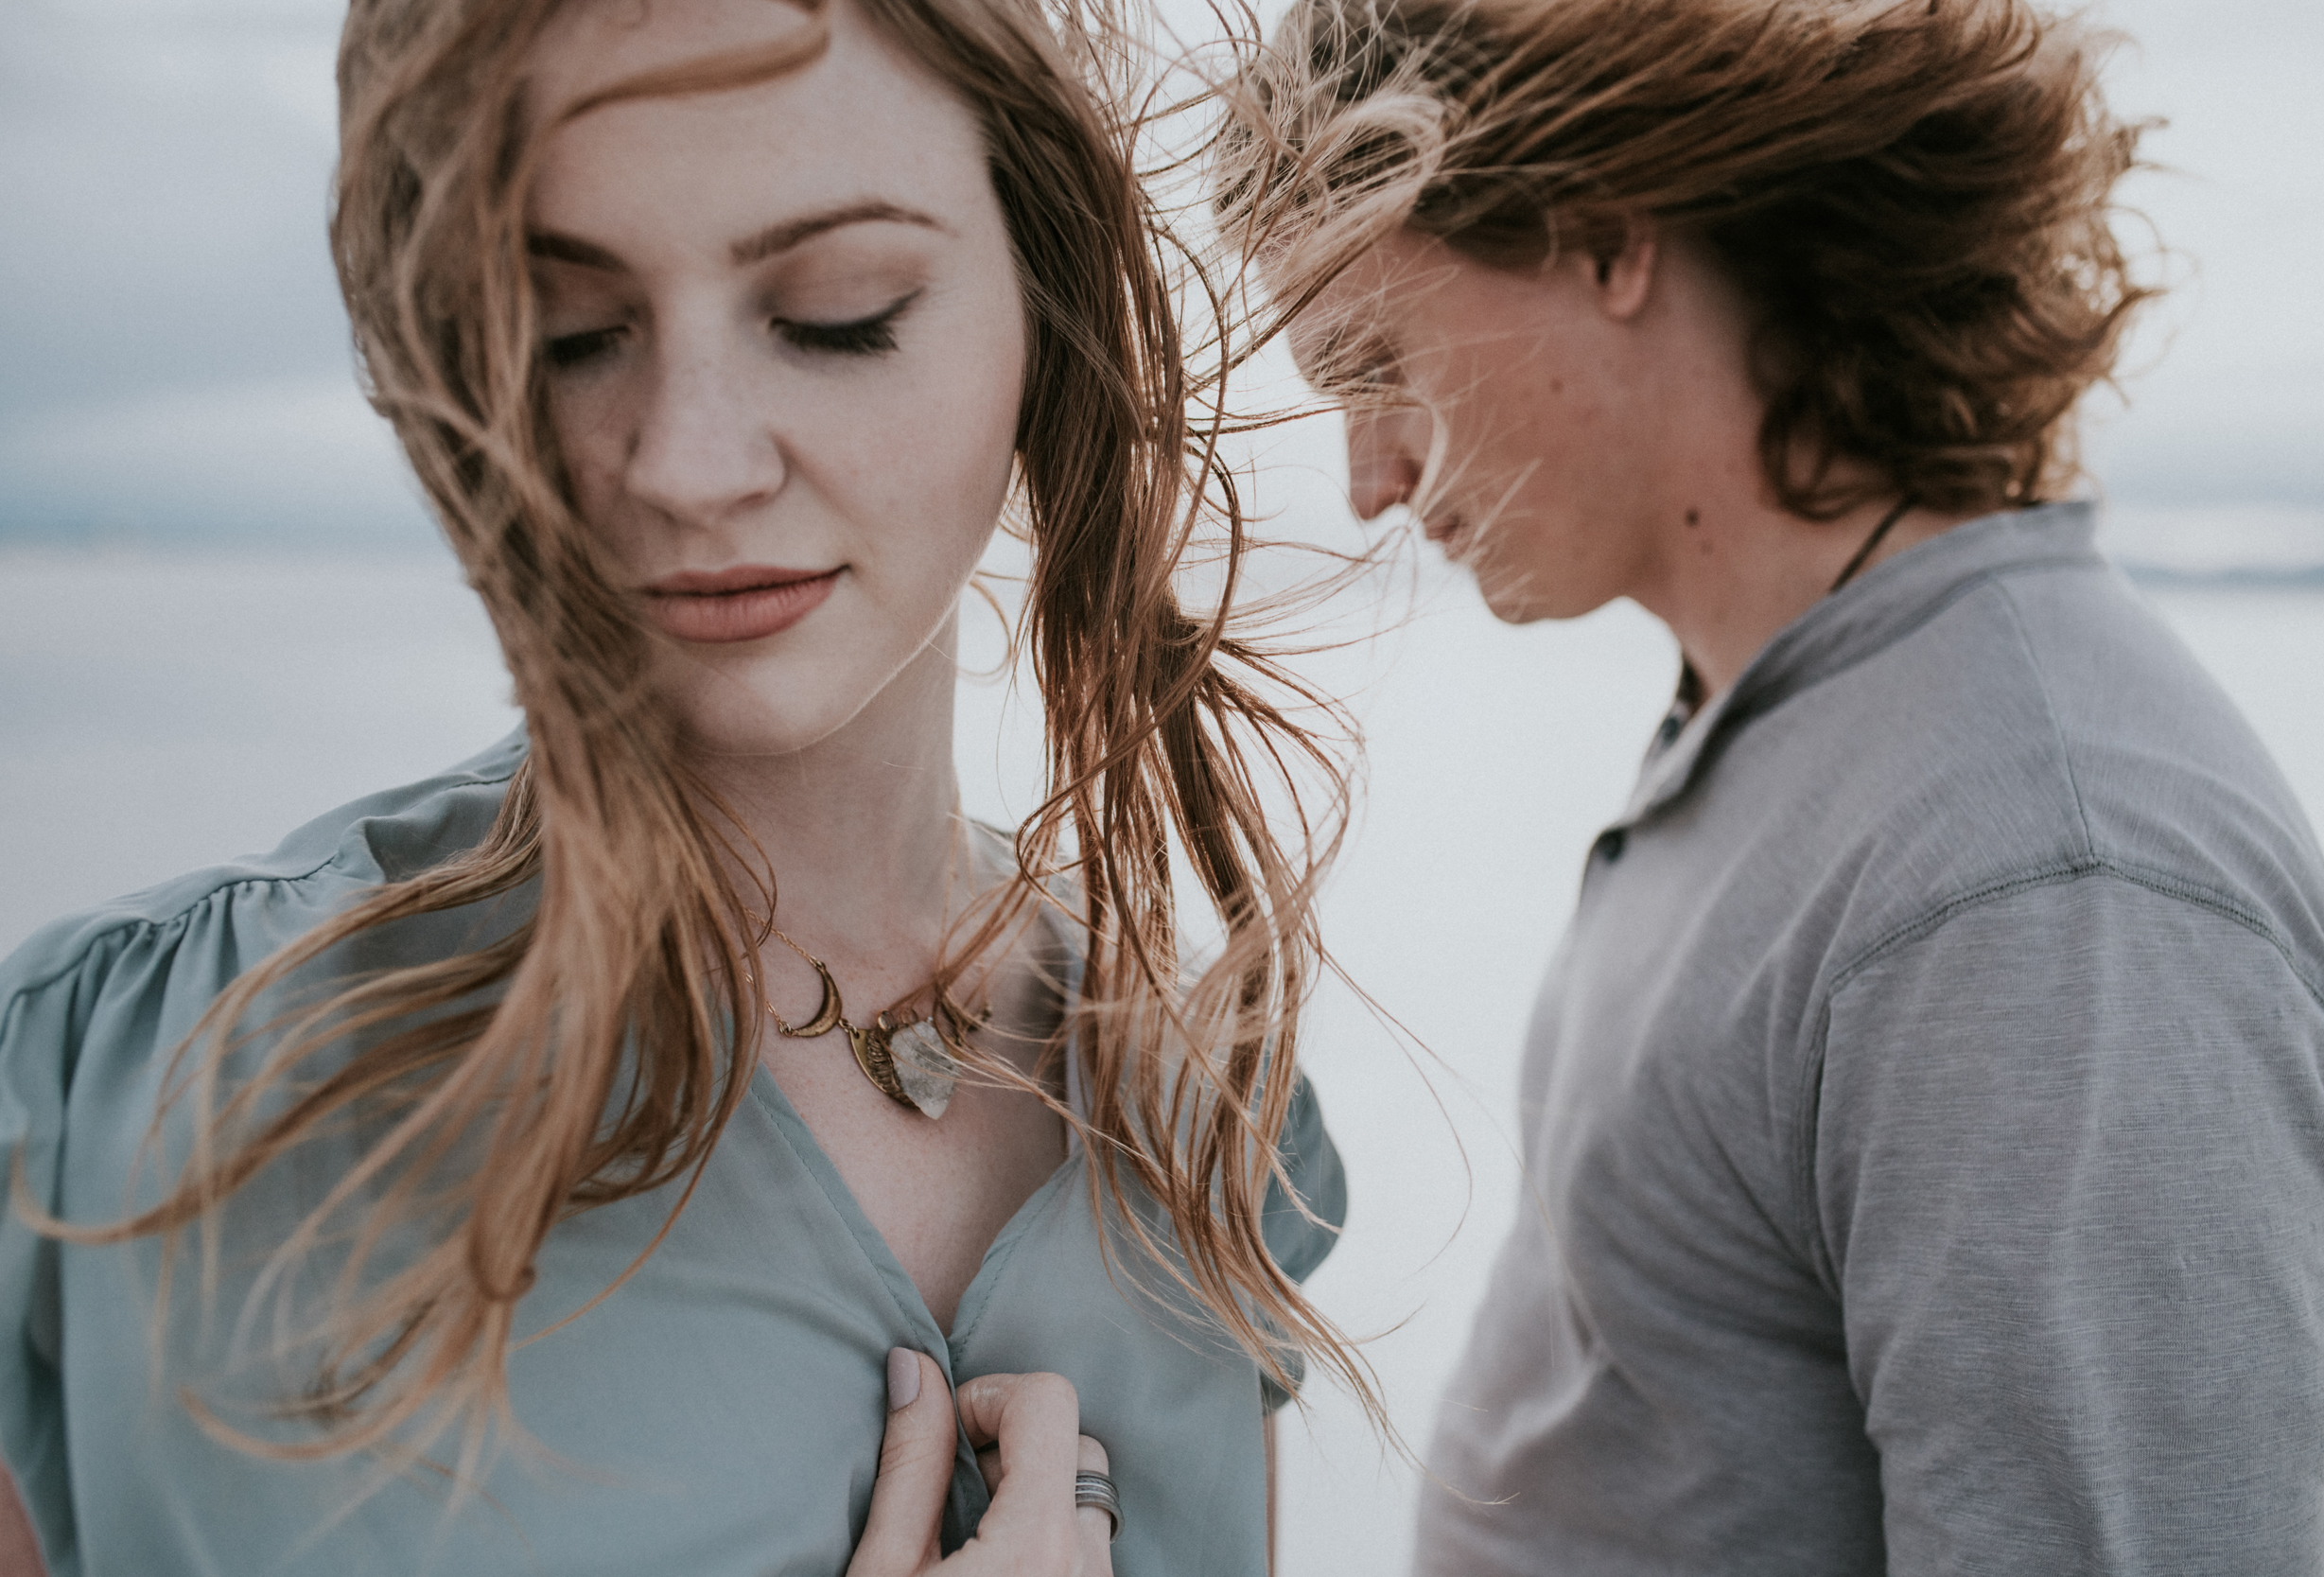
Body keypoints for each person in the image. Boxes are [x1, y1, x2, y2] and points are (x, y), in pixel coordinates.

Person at [0, 0, 1361, 1572]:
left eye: (842, 313)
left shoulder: (1205, 1117)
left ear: (1042, 310)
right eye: (572, 333)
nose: (688, 463)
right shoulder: (123, 1112)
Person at [1220, 0, 2324, 1570]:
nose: (1367, 476)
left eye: (1376, 362)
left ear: (1606, 236)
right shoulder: (1799, 712)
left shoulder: (2047, 890)